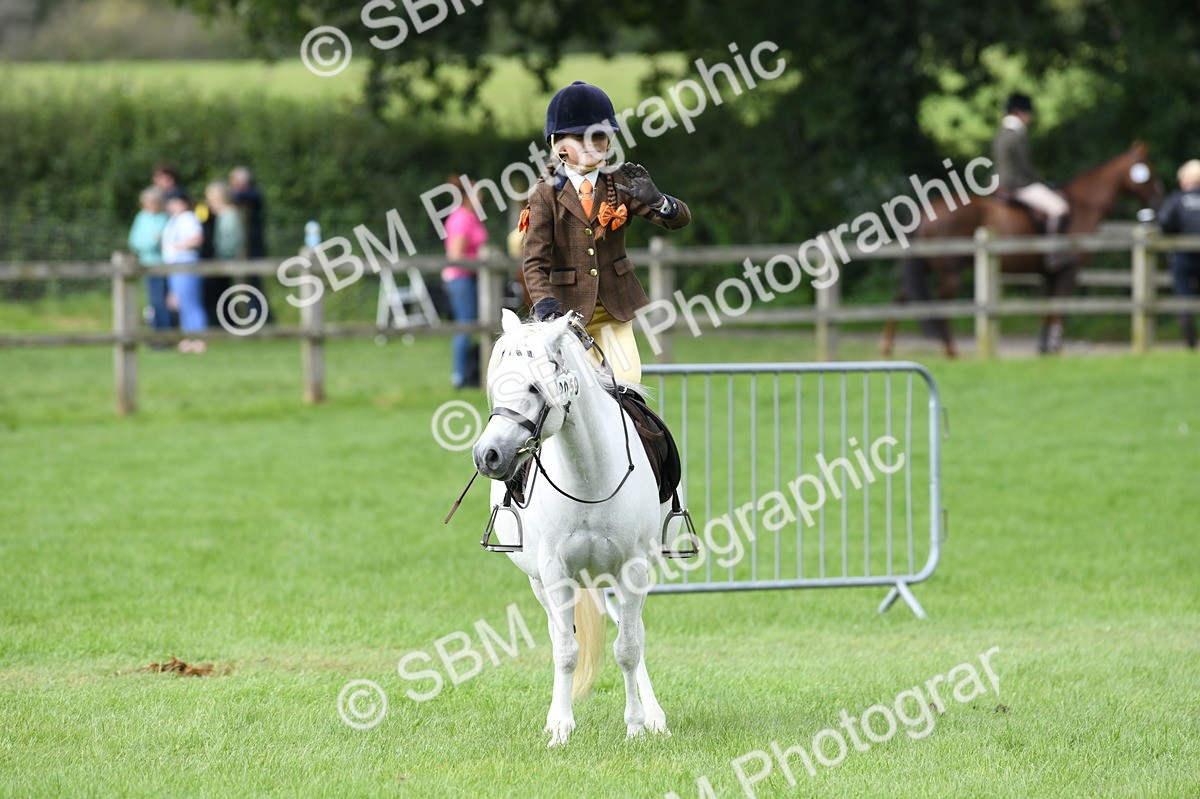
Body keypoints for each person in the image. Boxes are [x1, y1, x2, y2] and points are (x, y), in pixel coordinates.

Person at [522, 80, 691, 383]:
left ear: (610, 140)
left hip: (615, 310)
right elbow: (534, 261)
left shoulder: (621, 182)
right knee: (580, 393)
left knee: (627, 383)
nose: (591, 144)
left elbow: (678, 221)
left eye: (598, 135)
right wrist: (546, 308)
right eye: (579, 137)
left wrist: (658, 200)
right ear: (557, 144)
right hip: (566, 315)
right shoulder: (545, 193)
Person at [991, 92, 1072, 269]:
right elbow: (1026, 168)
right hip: (1017, 184)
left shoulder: (1001, 132)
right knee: (1059, 208)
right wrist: (1043, 183)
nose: (1029, 118)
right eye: (1028, 114)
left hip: (1000, 182)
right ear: (1020, 112)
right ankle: (1053, 253)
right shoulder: (1017, 134)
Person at [442, 175, 489, 388]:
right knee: (465, 326)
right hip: (460, 279)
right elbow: (455, 255)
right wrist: (482, 261)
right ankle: (459, 376)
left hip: (471, 278)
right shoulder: (461, 218)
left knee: (472, 326)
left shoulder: (472, 217)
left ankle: (470, 373)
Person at [1159, 159, 1200, 349]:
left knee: (1183, 294)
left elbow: (1165, 222)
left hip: (1183, 256)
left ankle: (1187, 325)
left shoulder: (1177, 199)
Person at [161, 188, 207, 353]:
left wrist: (178, 246)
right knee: (180, 303)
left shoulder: (188, 218)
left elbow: (197, 238)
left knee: (191, 302)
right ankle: (188, 338)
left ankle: (199, 338)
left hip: (185, 263)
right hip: (174, 265)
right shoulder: (174, 220)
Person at [126, 187, 172, 339]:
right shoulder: (142, 217)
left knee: (161, 302)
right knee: (152, 302)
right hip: (146, 264)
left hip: (162, 265)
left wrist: (150, 243)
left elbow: (160, 242)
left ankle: (164, 336)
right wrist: (150, 242)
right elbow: (134, 241)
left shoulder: (165, 218)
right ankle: (155, 335)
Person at [229, 166, 270, 323]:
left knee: (254, 284)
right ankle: (255, 316)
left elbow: (240, 196)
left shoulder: (253, 195)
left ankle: (259, 317)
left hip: (253, 248)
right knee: (248, 285)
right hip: (244, 248)